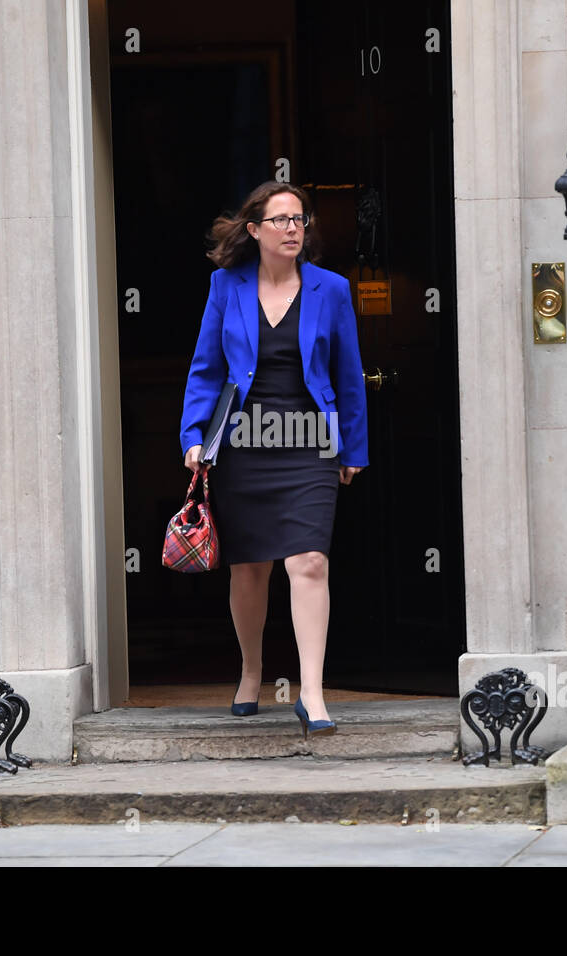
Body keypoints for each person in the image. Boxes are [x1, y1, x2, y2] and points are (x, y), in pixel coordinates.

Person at [179, 181, 369, 738]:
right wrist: (194, 437)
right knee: (250, 567)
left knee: (309, 561)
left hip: (310, 440)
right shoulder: (225, 286)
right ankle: (253, 670)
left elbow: (348, 373)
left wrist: (352, 446)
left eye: (300, 219)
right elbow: (206, 368)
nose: (293, 227)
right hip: (242, 441)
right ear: (255, 230)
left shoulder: (331, 289)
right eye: (281, 219)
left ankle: (311, 690)